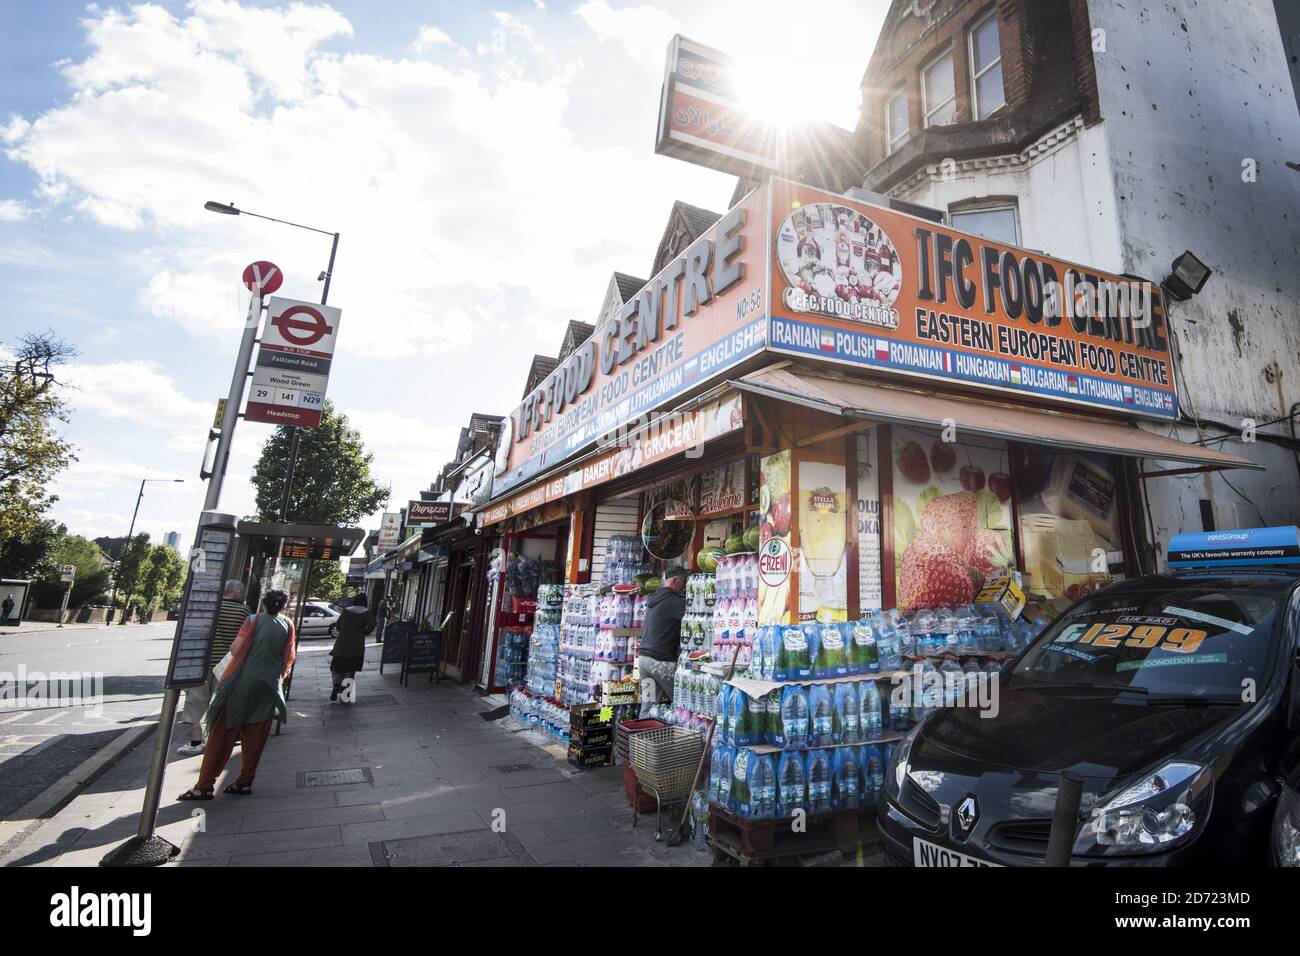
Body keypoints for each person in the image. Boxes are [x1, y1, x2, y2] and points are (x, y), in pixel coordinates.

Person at [177, 589, 296, 800]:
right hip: (268, 686)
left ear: (264, 603)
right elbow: (289, 657)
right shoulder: (288, 624)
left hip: (242, 683)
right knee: (255, 737)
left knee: (222, 734)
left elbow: (235, 649)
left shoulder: (253, 619)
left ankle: (204, 786)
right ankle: (244, 782)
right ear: (284, 606)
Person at [177, 580, 248, 755]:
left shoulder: (210, 608)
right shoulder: (244, 612)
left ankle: (195, 743)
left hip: (202, 661)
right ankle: (214, 741)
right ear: (237, 593)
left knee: (197, 701)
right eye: (243, 592)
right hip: (226, 664)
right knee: (220, 702)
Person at [637, 565, 688, 718]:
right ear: (675, 581)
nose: (684, 585)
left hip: (644, 662)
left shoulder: (655, 598)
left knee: (648, 705)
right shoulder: (674, 602)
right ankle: (682, 738)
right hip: (660, 662)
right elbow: (692, 620)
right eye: (683, 581)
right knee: (683, 701)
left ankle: (640, 740)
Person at [329, 592, 375, 702]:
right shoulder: (366, 613)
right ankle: (345, 694)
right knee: (351, 668)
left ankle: (336, 683)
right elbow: (373, 624)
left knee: (336, 666)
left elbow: (338, 625)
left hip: (341, 643)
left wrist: (343, 630)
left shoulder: (346, 611)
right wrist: (365, 632)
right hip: (356, 645)